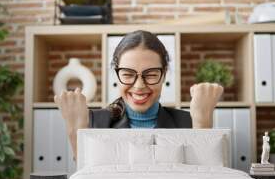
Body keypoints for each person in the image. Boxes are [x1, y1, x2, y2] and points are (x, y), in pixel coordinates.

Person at [54, 30, 223, 160]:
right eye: (128, 74)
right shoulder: (93, 122)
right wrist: (74, 130)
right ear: (116, 75)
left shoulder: (189, 123)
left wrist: (202, 123)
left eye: (150, 74)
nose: (139, 85)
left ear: (164, 75)